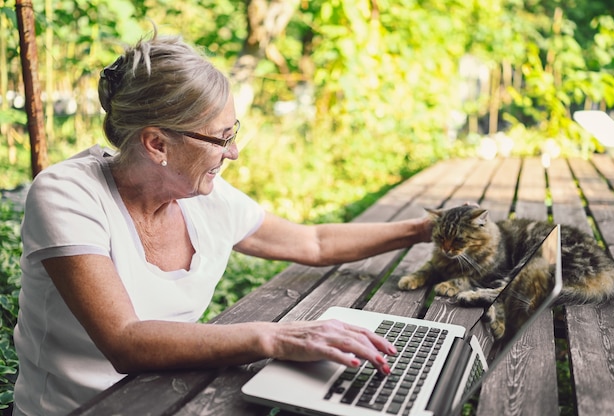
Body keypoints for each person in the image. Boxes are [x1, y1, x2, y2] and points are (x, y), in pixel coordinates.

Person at [12, 30, 432, 416]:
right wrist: (274, 336)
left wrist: (425, 229)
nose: (233, 153)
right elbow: (125, 341)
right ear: (157, 143)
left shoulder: (202, 196)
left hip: (173, 397)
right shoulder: (66, 194)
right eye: (222, 138)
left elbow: (315, 243)